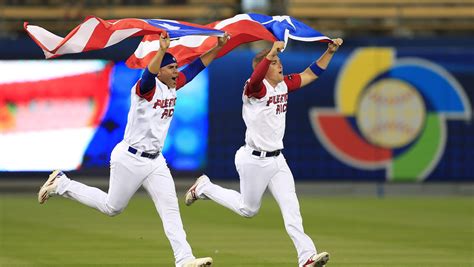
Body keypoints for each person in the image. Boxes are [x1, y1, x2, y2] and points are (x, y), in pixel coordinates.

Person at [38, 31, 229, 267]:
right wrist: (161, 50)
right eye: (171, 68)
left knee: (170, 210)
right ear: (160, 70)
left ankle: (184, 259)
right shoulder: (145, 88)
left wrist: (217, 47)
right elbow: (148, 74)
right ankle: (62, 184)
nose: (176, 71)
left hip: (156, 161)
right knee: (112, 208)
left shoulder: (172, 85)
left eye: (176, 68)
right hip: (130, 157)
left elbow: (197, 66)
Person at [184, 38, 343, 267]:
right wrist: (269, 54)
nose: (280, 64)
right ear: (265, 66)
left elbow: (310, 74)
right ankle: (204, 187)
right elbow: (257, 77)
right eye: (275, 62)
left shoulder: (282, 84)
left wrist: (329, 52)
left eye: (279, 61)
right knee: (248, 210)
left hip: (277, 159)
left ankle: (306, 257)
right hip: (253, 159)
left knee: (292, 210)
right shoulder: (255, 88)